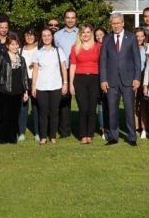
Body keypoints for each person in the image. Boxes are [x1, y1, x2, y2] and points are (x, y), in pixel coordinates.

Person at [100, 13, 142, 146]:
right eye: (113, 23)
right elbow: (103, 60)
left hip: (128, 80)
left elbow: (137, 60)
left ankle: (132, 137)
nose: (116, 25)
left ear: (123, 23)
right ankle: (113, 136)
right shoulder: (106, 39)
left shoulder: (131, 37)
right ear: (111, 24)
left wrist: (137, 78)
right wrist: (103, 79)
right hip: (111, 80)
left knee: (129, 110)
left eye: (118, 23)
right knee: (112, 110)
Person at [32, 27, 68, 145]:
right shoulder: (37, 52)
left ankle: (52, 136)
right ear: (41, 38)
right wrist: (33, 86)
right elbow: (35, 70)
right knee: (43, 112)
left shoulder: (58, 51)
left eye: (48, 35)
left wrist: (65, 84)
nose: (46, 37)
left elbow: (63, 68)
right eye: (44, 36)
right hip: (41, 87)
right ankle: (43, 137)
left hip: (56, 86)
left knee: (54, 112)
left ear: (52, 37)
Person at [0, 33, 28, 144]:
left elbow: (24, 76)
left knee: (14, 115)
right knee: (4, 116)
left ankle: (12, 139)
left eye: (16, 44)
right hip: (5, 90)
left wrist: (26, 91)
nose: (15, 46)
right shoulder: (2, 57)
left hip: (18, 91)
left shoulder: (21, 59)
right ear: (7, 45)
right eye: (12, 44)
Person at [69, 24, 102, 144]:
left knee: (92, 108)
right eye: (83, 32)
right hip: (79, 80)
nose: (86, 34)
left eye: (88, 32)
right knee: (83, 108)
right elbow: (73, 66)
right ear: (80, 34)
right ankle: (83, 135)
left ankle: (90, 134)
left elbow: (102, 64)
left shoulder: (98, 46)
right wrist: (71, 84)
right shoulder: (75, 48)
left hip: (94, 79)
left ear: (91, 33)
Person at [55, 9, 79, 138]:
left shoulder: (82, 33)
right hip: (63, 70)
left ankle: (83, 130)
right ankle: (64, 131)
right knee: (64, 100)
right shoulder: (57, 35)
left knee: (82, 100)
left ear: (76, 19)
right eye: (68, 17)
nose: (70, 20)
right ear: (64, 19)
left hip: (79, 70)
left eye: (73, 17)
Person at [19, 28, 39, 141]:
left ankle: (37, 133)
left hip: (37, 81)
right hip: (23, 81)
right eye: (27, 35)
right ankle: (21, 132)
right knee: (23, 107)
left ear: (35, 36)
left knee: (36, 107)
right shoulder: (20, 50)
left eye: (31, 35)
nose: (29, 37)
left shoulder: (40, 49)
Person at [133, 27, 149, 139]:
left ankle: (144, 129)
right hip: (133, 78)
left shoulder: (147, 49)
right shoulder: (130, 48)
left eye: (141, 36)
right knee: (134, 105)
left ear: (144, 37)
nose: (139, 38)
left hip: (144, 78)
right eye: (137, 36)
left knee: (143, 105)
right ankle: (136, 128)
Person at [94, 27, 108, 138]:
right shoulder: (95, 47)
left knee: (110, 104)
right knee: (101, 105)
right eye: (97, 35)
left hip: (110, 78)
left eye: (101, 34)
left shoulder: (110, 45)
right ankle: (103, 129)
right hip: (98, 78)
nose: (99, 37)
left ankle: (111, 127)